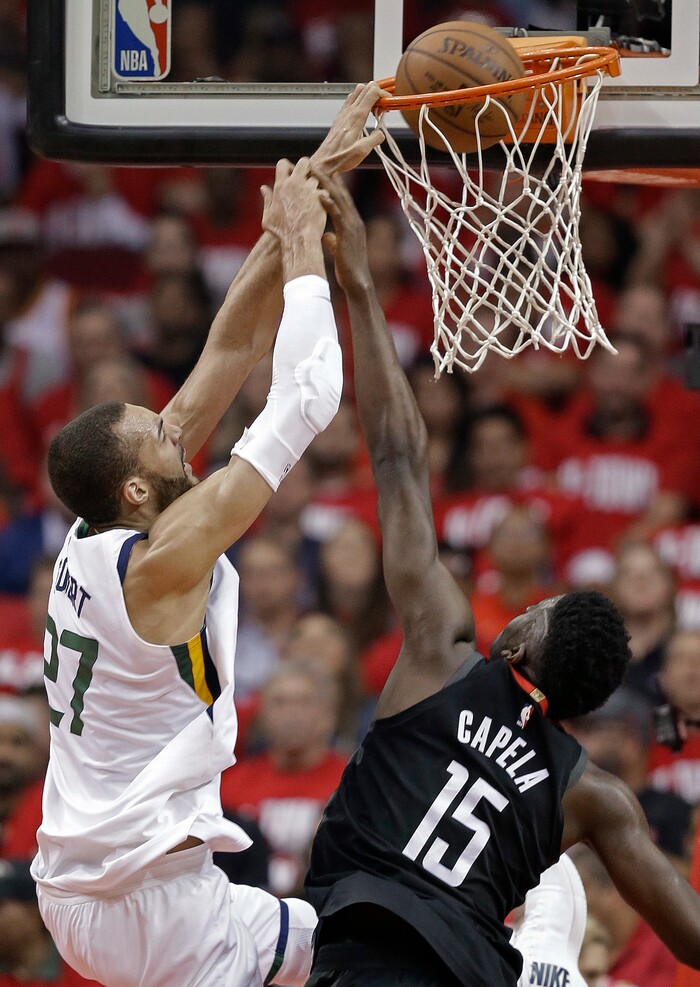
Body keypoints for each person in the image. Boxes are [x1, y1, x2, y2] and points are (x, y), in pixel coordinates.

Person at [303, 172, 700, 987]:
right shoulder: (589, 791)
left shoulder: (439, 653)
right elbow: (692, 933)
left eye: (533, 604)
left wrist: (362, 285)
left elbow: (398, 450)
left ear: (520, 635)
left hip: (366, 948)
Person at [29, 83, 385, 987]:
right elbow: (305, 399)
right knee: (372, 951)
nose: (176, 423)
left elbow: (225, 359)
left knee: (360, 944)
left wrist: (302, 194)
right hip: (146, 906)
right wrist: (309, 257)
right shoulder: (160, 565)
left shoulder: (99, 518)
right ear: (141, 485)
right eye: (161, 431)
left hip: (102, 884)